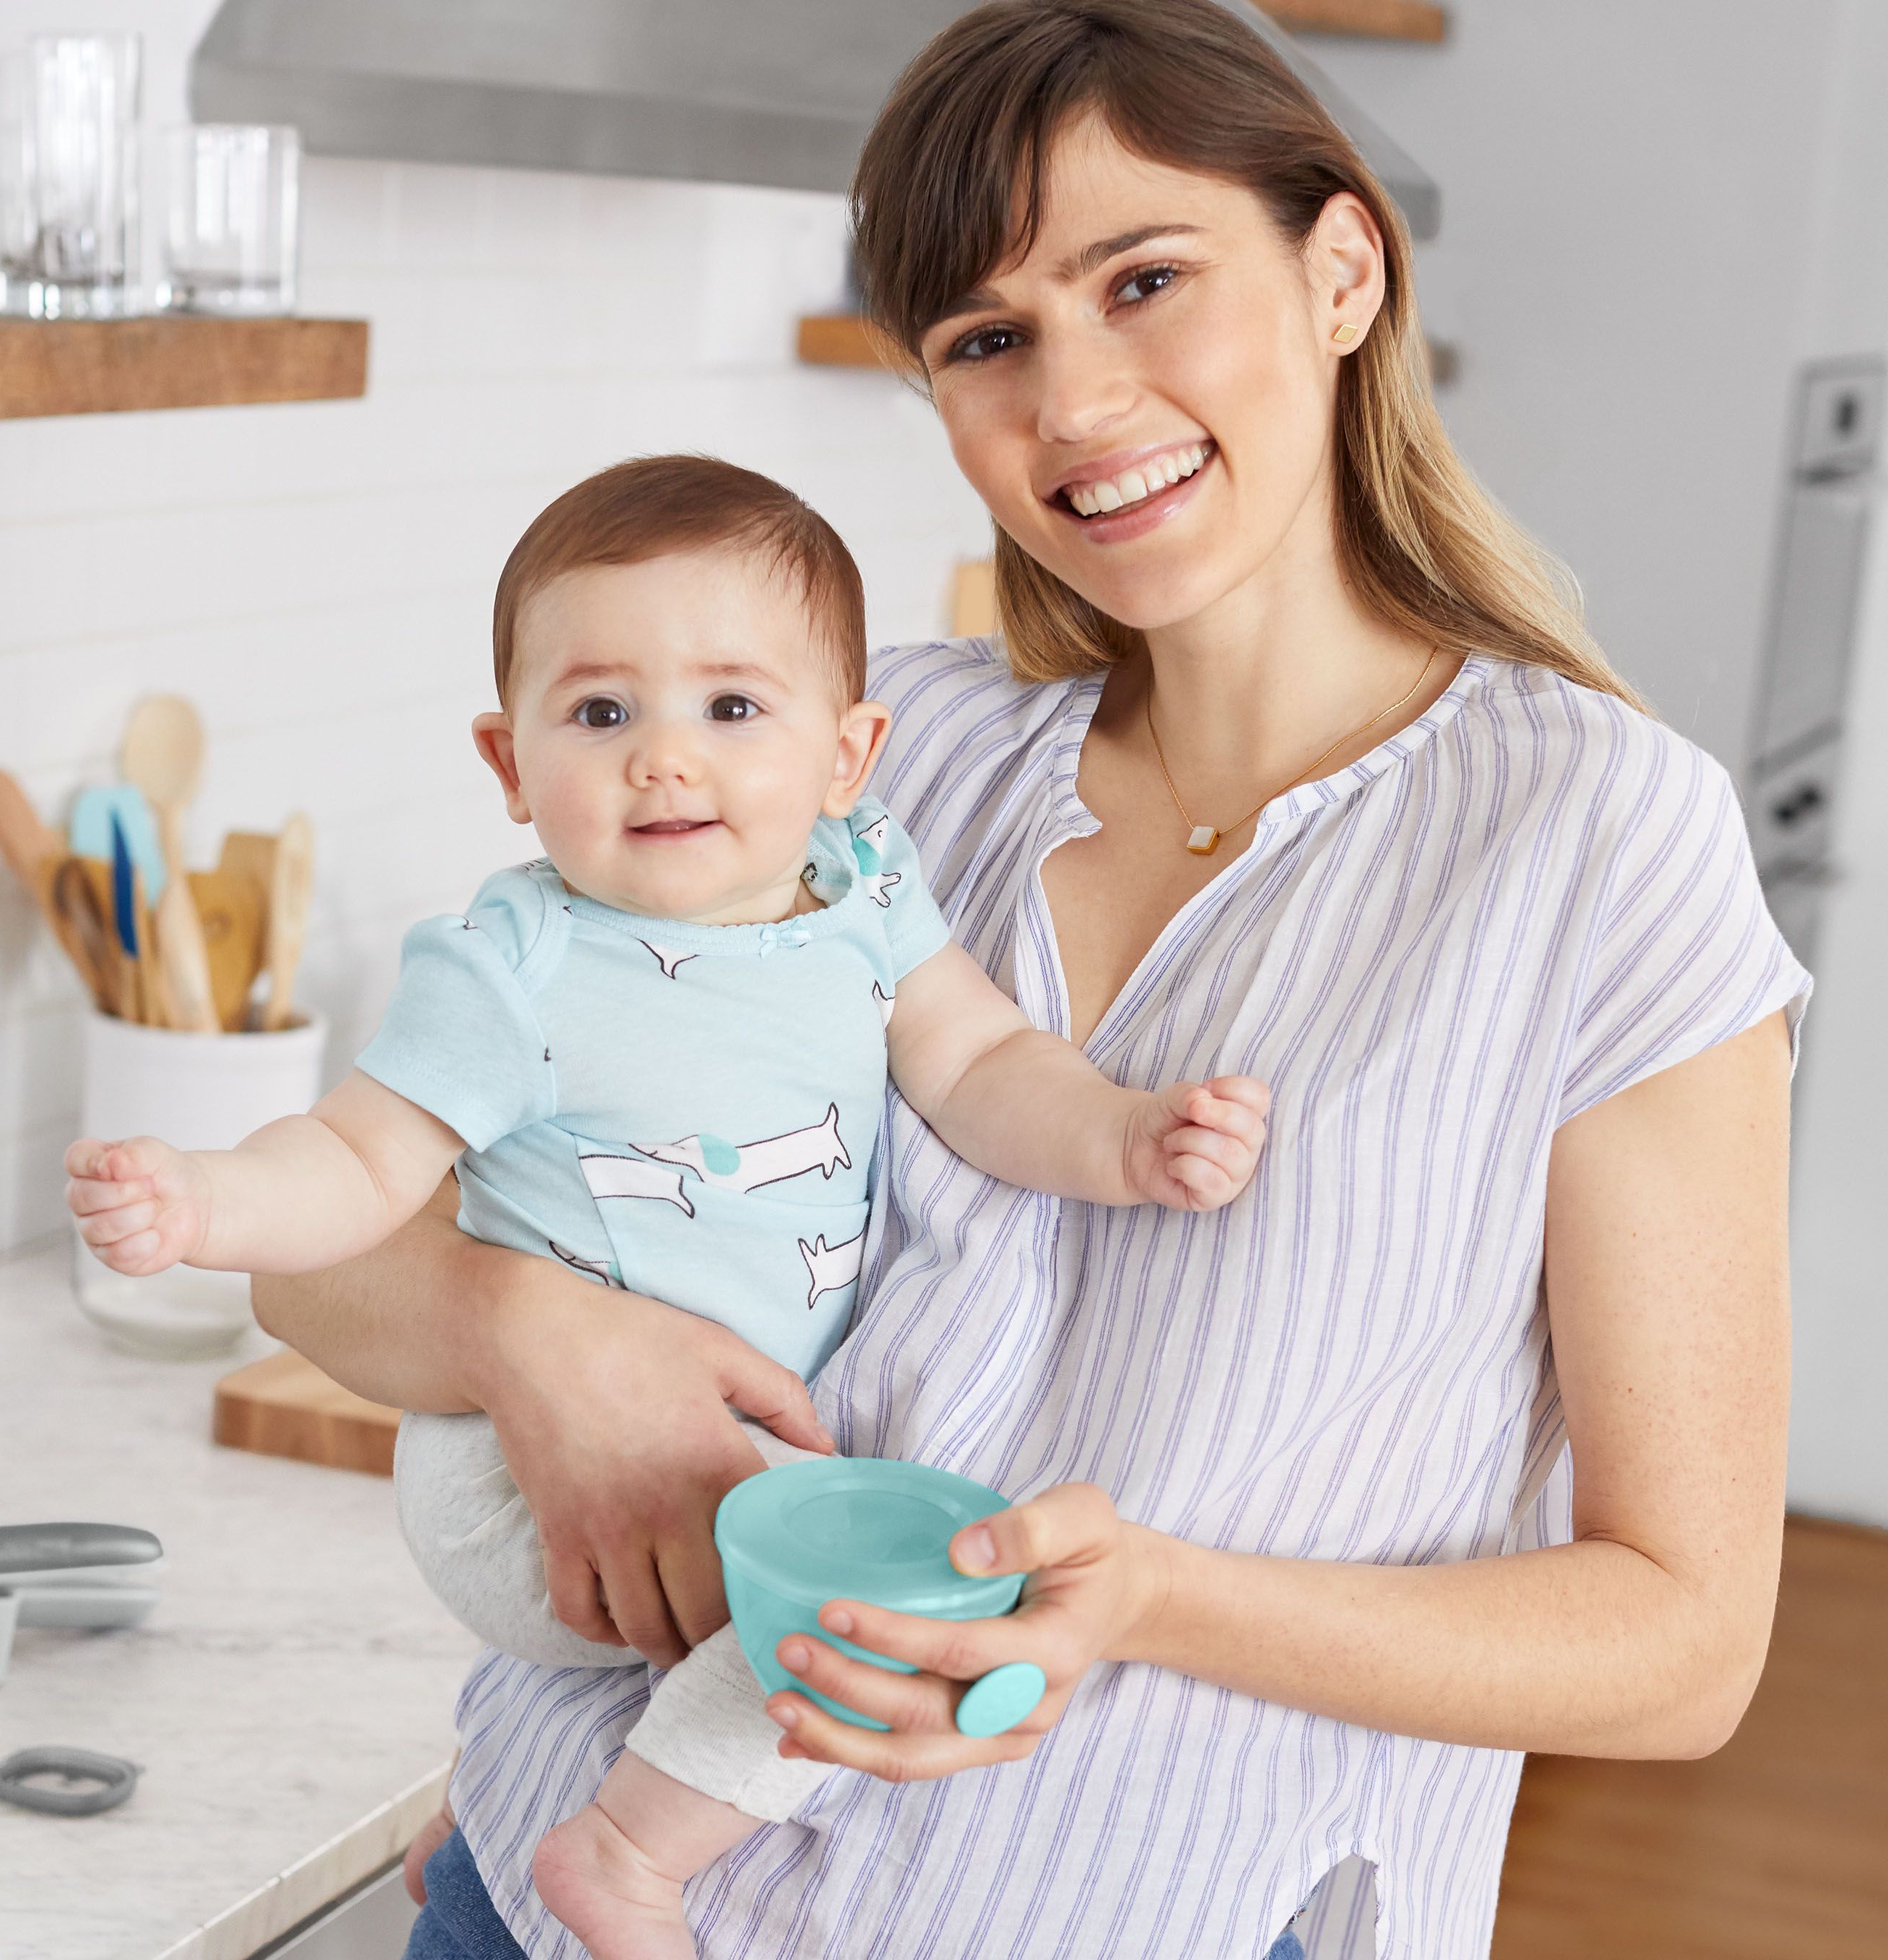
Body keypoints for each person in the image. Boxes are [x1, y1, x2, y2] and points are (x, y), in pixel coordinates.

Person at [253, 4, 1810, 1956]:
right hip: (559, 1880)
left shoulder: (1595, 841)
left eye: (1141, 281)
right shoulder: (867, 757)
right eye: (987, 339)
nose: (1071, 402)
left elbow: (1678, 1643)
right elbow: (306, 1245)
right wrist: (519, 1327)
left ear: (1340, 271)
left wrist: (1156, 1595)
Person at [62, 452, 1265, 1959]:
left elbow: (979, 1060)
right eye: (602, 713)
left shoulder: (864, 889)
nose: (665, 760)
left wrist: (1126, 1136)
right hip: (516, 1476)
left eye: (733, 708)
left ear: (848, 753)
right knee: (849, 1623)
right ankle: (623, 1855)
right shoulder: (514, 960)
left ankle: (502, 1796)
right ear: (510, 762)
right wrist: (206, 1196)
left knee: (838, 1590)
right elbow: (364, 1165)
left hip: (718, 1450)